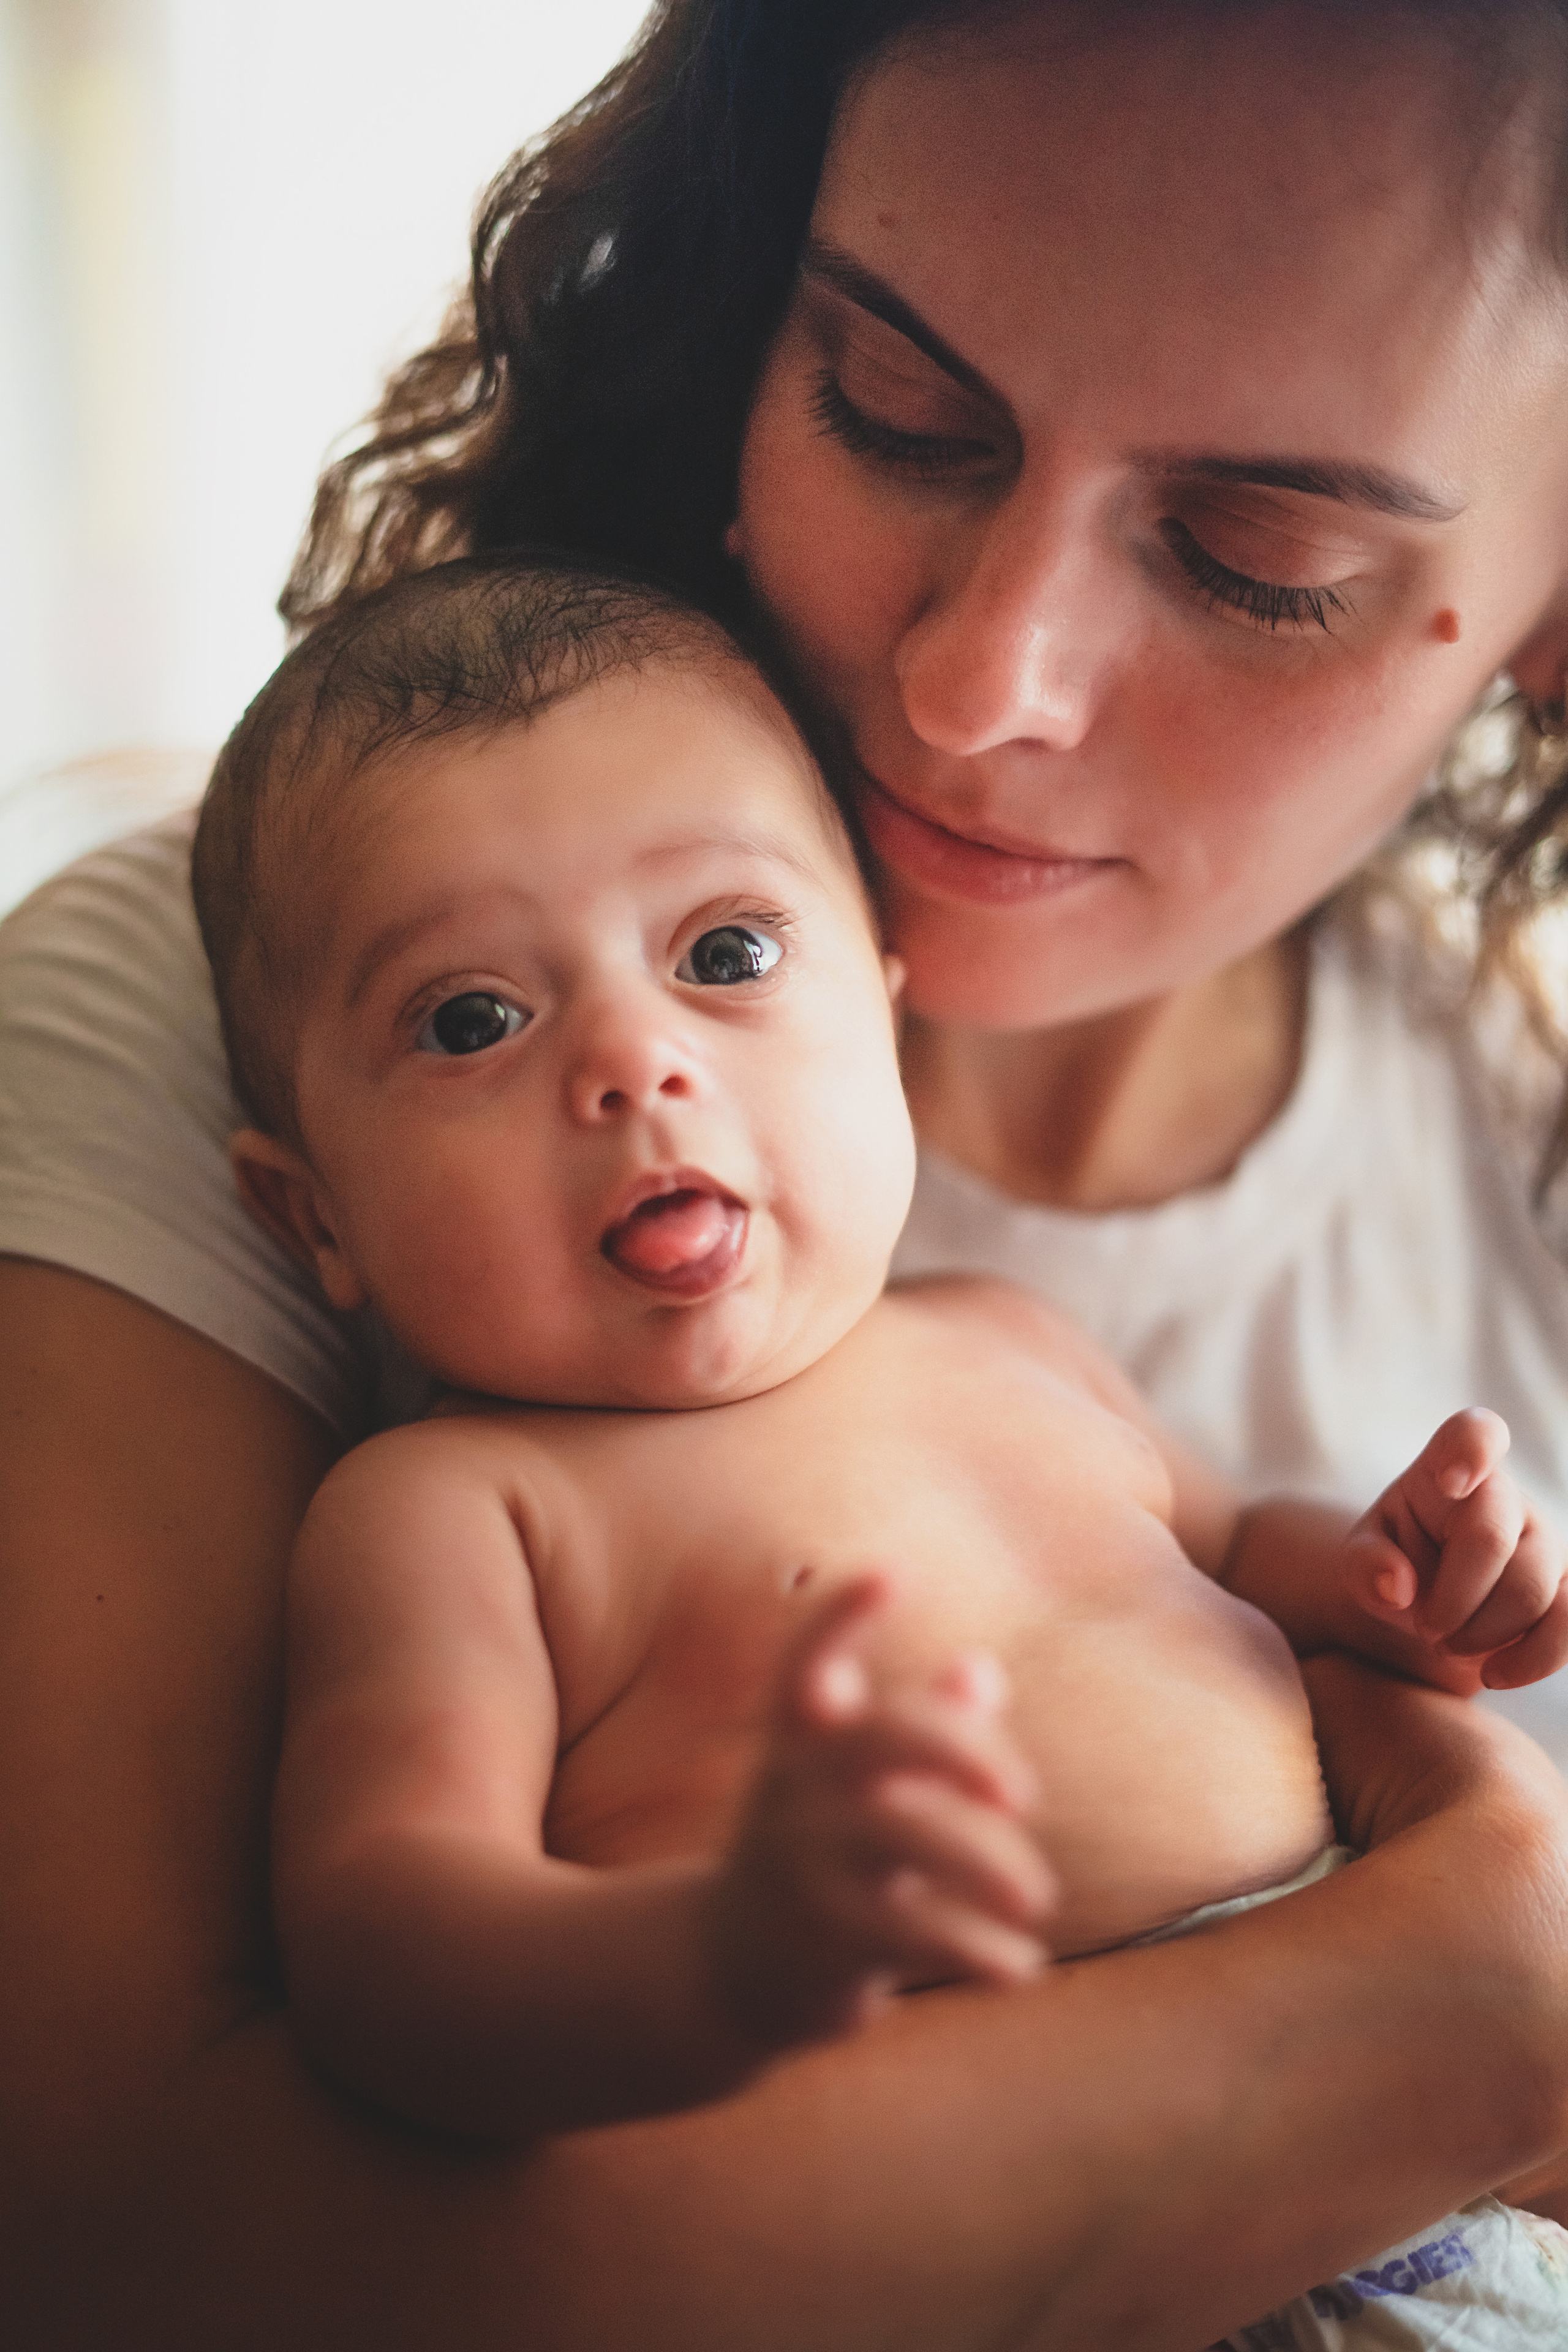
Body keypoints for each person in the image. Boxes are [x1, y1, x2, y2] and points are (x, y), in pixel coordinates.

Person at [9, 2, 1568, 2345]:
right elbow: (125, 2234)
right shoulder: (232, 1006)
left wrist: (1377, 1601)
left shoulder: (1485, 1120)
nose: (976, 690)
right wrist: (1433, 2005)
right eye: (899, 413)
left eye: (1256, 556)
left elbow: (1200, 1572)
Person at [203, 550, 1568, 2344]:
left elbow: (1241, 1560)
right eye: (472, 1018)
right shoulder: (461, 1513)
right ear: (314, 1221)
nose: (635, 1062)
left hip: (1431, 2215)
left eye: (729, 954)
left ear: (888, 1012)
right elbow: (386, 1951)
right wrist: (715, 1949)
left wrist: (1408, 1577)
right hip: (986, 2240)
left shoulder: (1009, 1342)